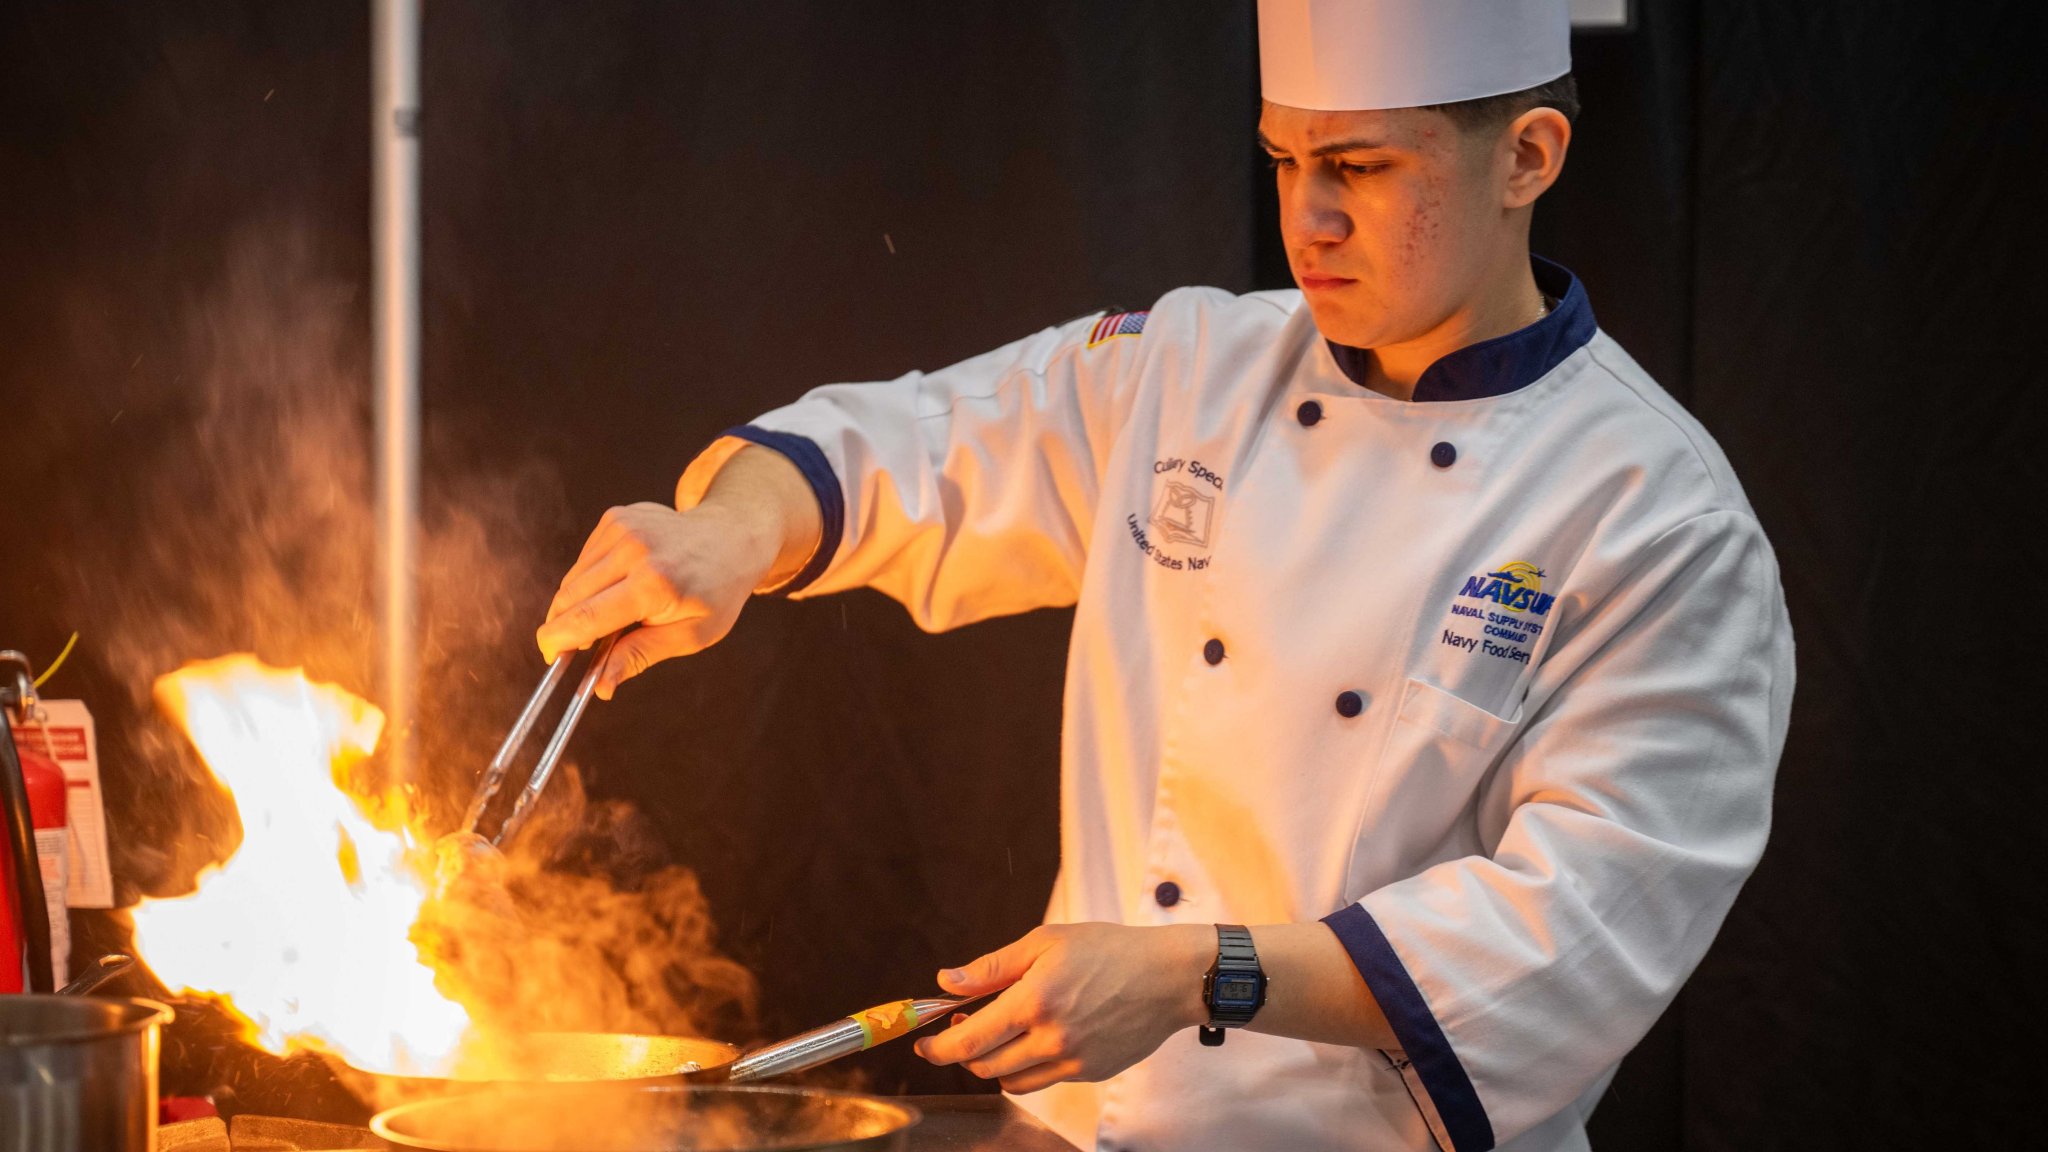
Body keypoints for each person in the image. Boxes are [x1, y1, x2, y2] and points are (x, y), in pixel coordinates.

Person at [536, 1, 1795, 1148]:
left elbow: (1570, 929)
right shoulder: (1190, 366)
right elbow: (909, 448)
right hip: (1075, 1132)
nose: (1306, 219)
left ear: (1526, 156)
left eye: (1360, 166)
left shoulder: (1656, 518)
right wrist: (726, 539)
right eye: (1285, 161)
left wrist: (1198, 973)